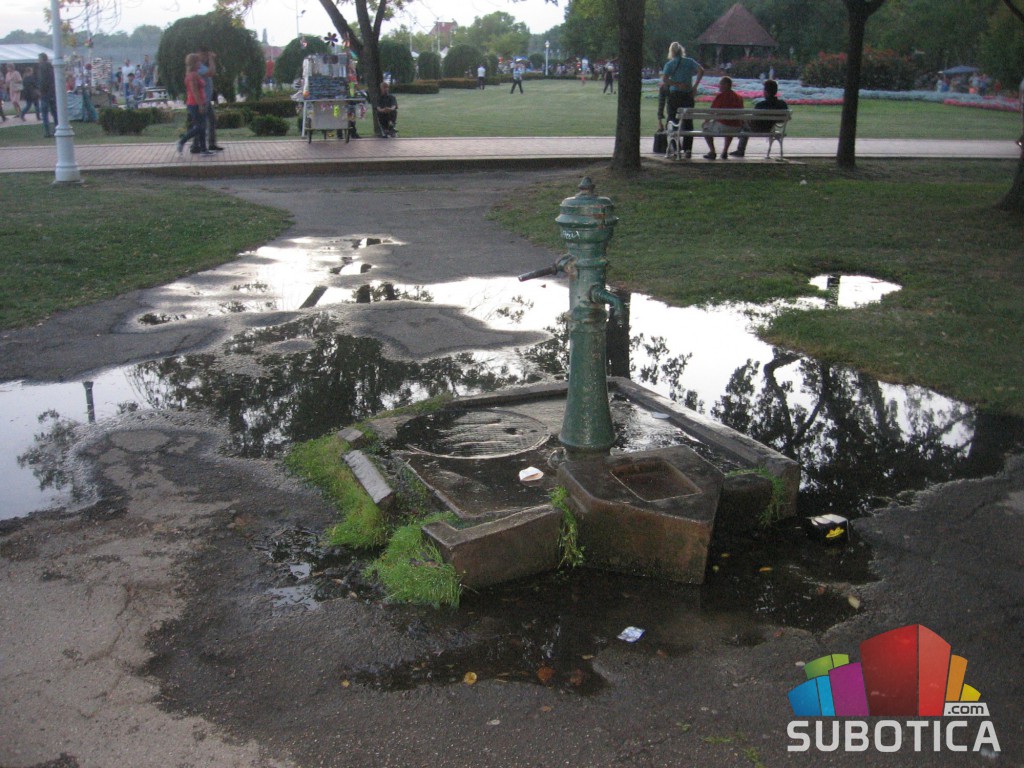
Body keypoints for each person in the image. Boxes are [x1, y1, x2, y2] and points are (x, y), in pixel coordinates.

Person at [661, 42, 703, 159]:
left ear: (671, 52)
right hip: (688, 95)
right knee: (688, 122)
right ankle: (688, 148)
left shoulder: (670, 64)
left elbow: (665, 79)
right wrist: (695, 86)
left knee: (672, 120)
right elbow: (701, 70)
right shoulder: (689, 62)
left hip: (675, 95)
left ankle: (676, 148)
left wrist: (676, 84)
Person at [731, 78, 788, 158]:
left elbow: (754, 119)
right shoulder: (782, 104)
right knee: (744, 126)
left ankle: (740, 150)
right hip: (770, 128)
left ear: (766, 91)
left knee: (744, 126)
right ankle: (740, 145)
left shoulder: (761, 105)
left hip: (757, 128)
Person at [176, 53, 212, 155]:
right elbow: (194, 91)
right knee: (199, 126)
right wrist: (200, 105)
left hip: (200, 102)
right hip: (195, 104)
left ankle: (203, 149)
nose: (200, 63)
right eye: (198, 61)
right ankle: (182, 141)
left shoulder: (194, 74)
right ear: (194, 63)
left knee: (202, 126)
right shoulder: (192, 75)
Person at [702, 76, 744, 159]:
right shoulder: (738, 97)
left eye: (720, 84)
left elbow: (711, 111)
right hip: (736, 127)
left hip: (723, 126)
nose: (719, 86)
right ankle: (725, 151)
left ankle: (712, 151)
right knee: (730, 124)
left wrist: (706, 121)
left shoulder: (721, 96)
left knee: (705, 127)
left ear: (726, 85)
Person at [192, 46, 223, 152]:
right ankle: (196, 145)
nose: (205, 57)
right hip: (202, 100)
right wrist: (211, 59)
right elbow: (212, 72)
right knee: (201, 123)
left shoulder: (201, 66)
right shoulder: (198, 67)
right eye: (203, 54)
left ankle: (211, 143)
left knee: (211, 120)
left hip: (206, 99)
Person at [37, 53, 56, 137]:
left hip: (45, 93)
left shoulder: (42, 67)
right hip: (52, 92)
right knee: (54, 111)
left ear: (41, 59)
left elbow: (42, 80)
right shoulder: (51, 67)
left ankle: (47, 132)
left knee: (44, 112)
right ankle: (57, 128)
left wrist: (40, 90)